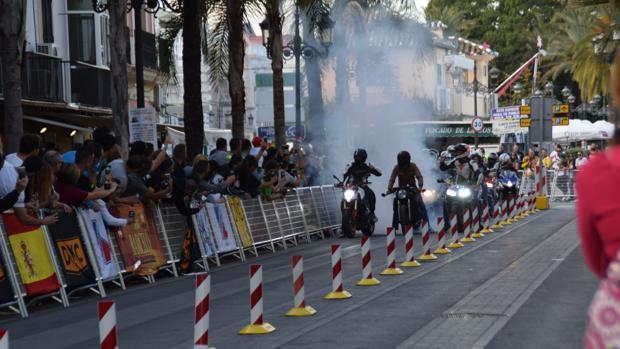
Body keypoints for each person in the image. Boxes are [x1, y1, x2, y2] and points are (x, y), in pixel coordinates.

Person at [387, 151, 426, 229]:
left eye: (403, 159)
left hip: (412, 188)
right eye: (400, 159)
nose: (402, 161)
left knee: (420, 203)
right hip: (401, 189)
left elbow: (419, 176)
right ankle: (394, 226)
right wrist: (389, 188)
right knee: (395, 203)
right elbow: (392, 179)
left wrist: (420, 186)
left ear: (408, 159)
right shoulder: (396, 167)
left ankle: (427, 225)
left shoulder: (413, 166)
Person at [343, 149, 382, 222]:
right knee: (343, 199)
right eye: (357, 157)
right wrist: (341, 182)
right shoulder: (350, 165)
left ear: (364, 157)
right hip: (351, 187)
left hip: (363, 186)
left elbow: (379, 174)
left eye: (360, 157)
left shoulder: (367, 166)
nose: (358, 159)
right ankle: (344, 216)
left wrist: (373, 169)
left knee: (371, 194)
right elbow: (344, 174)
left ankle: (372, 213)